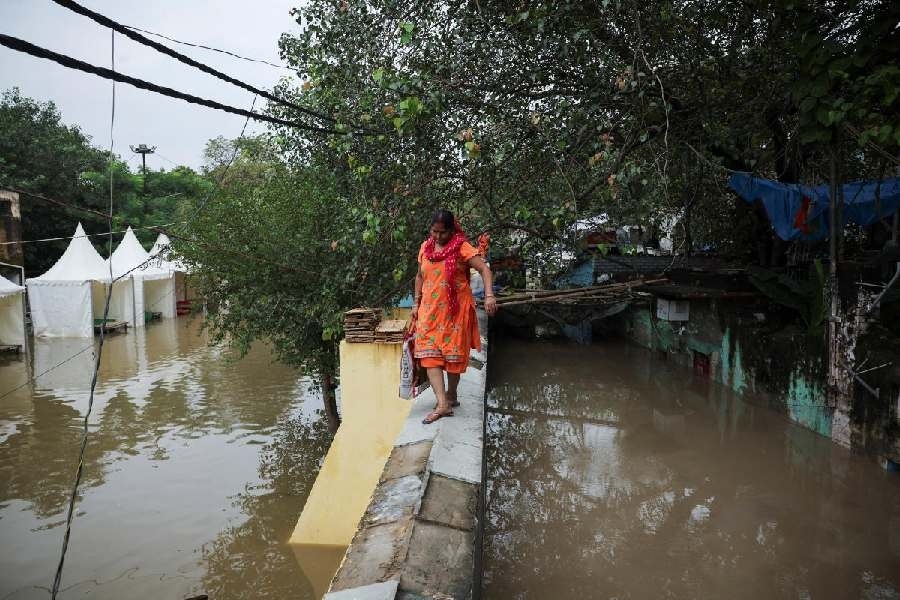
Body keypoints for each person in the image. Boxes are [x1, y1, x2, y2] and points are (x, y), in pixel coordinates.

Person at [412, 209, 498, 424]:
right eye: (434, 232)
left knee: (452, 357)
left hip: (455, 311)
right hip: (429, 311)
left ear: (452, 229)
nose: (438, 237)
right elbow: (419, 276)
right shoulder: (425, 247)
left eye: (443, 232)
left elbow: (485, 270)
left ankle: (451, 395)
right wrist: (416, 302)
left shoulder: (461, 247)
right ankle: (442, 403)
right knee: (428, 355)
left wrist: (489, 296)